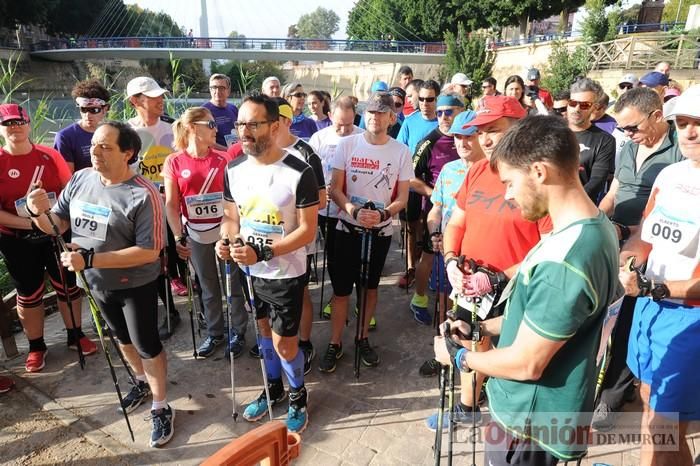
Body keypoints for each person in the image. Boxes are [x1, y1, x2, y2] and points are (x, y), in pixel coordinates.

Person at [434, 115, 621, 464]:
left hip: (530, 424)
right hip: (536, 414)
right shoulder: (593, 227)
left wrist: (460, 358)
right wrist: (482, 328)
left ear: (538, 172)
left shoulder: (566, 260)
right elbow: (542, 317)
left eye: (509, 182)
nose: (506, 194)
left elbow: (528, 363)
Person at [27, 121, 174, 448]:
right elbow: (57, 225)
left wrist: (91, 260)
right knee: (121, 339)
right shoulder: (80, 179)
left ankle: (161, 405)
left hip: (135, 283)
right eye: (94, 145)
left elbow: (150, 250)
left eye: (106, 147)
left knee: (147, 344)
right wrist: (39, 212)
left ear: (128, 153)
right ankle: (139, 382)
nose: (95, 152)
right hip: (95, 282)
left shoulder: (144, 192)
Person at [424, 95, 551, 431]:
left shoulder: (540, 177)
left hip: (515, 288)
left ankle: (508, 419)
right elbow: (456, 222)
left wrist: (499, 278)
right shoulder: (478, 169)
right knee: (468, 340)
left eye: (494, 129)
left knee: (510, 356)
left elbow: (549, 249)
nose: (486, 139)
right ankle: (467, 406)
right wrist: (451, 260)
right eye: (481, 132)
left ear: (520, 129)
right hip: (469, 280)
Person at [216, 92, 319, 434]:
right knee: (263, 331)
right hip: (248, 270)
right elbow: (231, 217)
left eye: (253, 124)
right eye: (240, 123)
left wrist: (266, 252)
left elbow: (307, 231)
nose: (243, 131)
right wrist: (227, 241)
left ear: (275, 127)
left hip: (285, 273)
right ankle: (273, 387)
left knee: (284, 342)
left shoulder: (298, 171)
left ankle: (297, 395)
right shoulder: (233, 168)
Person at [593, 87, 683, 432]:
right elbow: (615, 193)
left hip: (652, 250)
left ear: (657, 116)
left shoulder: (680, 154)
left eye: (632, 127)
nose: (627, 135)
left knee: (628, 323)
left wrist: (624, 231)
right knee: (605, 321)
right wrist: (596, 220)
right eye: (623, 129)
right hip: (618, 241)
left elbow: (666, 216)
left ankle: (612, 400)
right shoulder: (628, 147)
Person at [619, 86, 700, 466]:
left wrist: (657, 285)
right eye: (682, 123)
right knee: (650, 409)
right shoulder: (669, 174)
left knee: (665, 430)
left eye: (698, 124)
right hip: (650, 308)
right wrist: (630, 260)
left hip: (689, 318)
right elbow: (644, 236)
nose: (689, 132)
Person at [0, 103, 96, 373]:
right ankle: (36, 345)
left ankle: (75, 334)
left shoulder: (49, 156)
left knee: (67, 285)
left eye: (19, 122)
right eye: (7, 124)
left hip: (56, 231)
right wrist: (30, 221)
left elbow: (69, 193)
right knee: (28, 292)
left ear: (28, 124)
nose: (14, 127)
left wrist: (53, 224)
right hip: (16, 237)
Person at [320, 91, 412, 372]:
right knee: (340, 290)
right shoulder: (347, 145)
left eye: (381, 112)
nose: (375, 117)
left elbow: (403, 198)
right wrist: (354, 211)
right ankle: (335, 343)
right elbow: (334, 188)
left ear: (391, 118)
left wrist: (384, 213)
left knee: (370, 288)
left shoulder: (401, 151)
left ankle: (361, 339)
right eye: (371, 112)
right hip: (346, 227)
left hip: (379, 231)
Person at [162, 107, 248, 358]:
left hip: (224, 232)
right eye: (210, 125)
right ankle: (215, 332)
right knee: (208, 287)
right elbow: (171, 203)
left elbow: (236, 199)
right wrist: (178, 235)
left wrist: (232, 232)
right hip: (196, 233)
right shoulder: (174, 161)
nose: (216, 129)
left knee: (232, 286)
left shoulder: (223, 159)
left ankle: (238, 331)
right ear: (192, 128)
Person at [415, 109, 484, 377]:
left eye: (469, 136)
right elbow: (436, 209)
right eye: (457, 137)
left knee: (473, 313)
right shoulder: (448, 170)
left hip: (479, 256)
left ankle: (477, 368)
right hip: (448, 252)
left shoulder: (492, 172)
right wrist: (434, 231)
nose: (462, 143)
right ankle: (443, 354)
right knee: (444, 303)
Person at [272, 97, 327, 374]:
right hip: (269, 238)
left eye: (275, 122)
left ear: (286, 121)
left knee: (301, 291)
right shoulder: (262, 152)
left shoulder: (306, 153)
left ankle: (304, 343)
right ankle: (278, 343)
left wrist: (293, 207)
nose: (269, 128)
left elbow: (323, 200)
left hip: (299, 239)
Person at [126, 76, 183, 337]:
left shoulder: (173, 128)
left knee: (180, 254)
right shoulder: (124, 134)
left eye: (161, 95)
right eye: (153, 97)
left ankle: (203, 309)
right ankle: (170, 311)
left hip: (173, 207)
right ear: (135, 101)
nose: (161, 100)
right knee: (154, 260)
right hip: (142, 210)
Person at [408, 93, 465, 326]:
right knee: (429, 257)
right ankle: (419, 299)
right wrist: (435, 193)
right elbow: (409, 177)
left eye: (448, 111)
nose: (442, 117)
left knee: (460, 261)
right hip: (437, 212)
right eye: (439, 112)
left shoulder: (471, 139)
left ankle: (454, 310)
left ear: (461, 112)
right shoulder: (429, 142)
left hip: (466, 215)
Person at [309, 97, 363, 322]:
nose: (344, 129)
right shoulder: (318, 138)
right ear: (330, 115)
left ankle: (362, 303)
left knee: (358, 258)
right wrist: (321, 190)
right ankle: (336, 297)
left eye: (349, 124)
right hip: (327, 209)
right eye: (340, 124)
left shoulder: (362, 136)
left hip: (355, 209)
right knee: (333, 257)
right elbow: (309, 172)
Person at [397, 79, 440, 290]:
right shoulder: (409, 121)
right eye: (421, 98)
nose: (425, 103)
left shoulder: (443, 123)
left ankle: (429, 267)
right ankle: (411, 268)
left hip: (435, 183)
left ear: (437, 99)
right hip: (413, 182)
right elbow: (400, 149)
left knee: (429, 226)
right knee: (411, 228)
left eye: (430, 99)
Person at [567, 78, 615, 203]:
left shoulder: (605, 140)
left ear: (595, 107)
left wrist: (571, 201)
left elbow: (597, 181)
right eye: (572, 103)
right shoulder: (552, 132)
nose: (577, 109)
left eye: (584, 105)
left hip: (580, 207)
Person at [54, 79, 110, 173]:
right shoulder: (65, 137)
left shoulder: (113, 133)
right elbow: (67, 177)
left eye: (94, 110)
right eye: (83, 110)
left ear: (105, 109)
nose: (88, 115)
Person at [202, 73, 239, 150]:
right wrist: (228, 151)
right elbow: (205, 141)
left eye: (222, 88)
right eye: (214, 87)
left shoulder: (233, 109)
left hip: (236, 153)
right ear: (210, 90)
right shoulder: (204, 111)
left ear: (228, 90)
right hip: (217, 156)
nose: (217, 91)